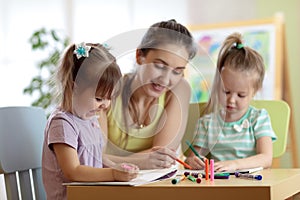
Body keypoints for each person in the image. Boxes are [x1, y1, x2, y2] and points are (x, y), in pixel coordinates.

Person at [42, 42, 139, 200]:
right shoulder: (62, 123)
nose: (106, 105)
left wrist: (119, 168)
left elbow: (97, 160)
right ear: (74, 88)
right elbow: (72, 171)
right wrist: (113, 173)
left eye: (110, 98)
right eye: (99, 98)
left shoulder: (90, 119)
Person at [104, 19, 198, 169]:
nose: (166, 80)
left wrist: (112, 161)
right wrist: (143, 161)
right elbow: (94, 157)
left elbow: (163, 159)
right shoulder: (108, 90)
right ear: (139, 55)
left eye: (177, 71)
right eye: (160, 66)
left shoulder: (180, 88)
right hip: (110, 186)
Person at [185, 32, 277, 172]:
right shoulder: (208, 123)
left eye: (241, 95)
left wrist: (234, 164)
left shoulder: (258, 118)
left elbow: (266, 158)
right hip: (221, 185)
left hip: (253, 184)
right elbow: (193, 157)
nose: (231, 100)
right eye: (226, 92)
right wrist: (193, 161)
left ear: (255, 91)